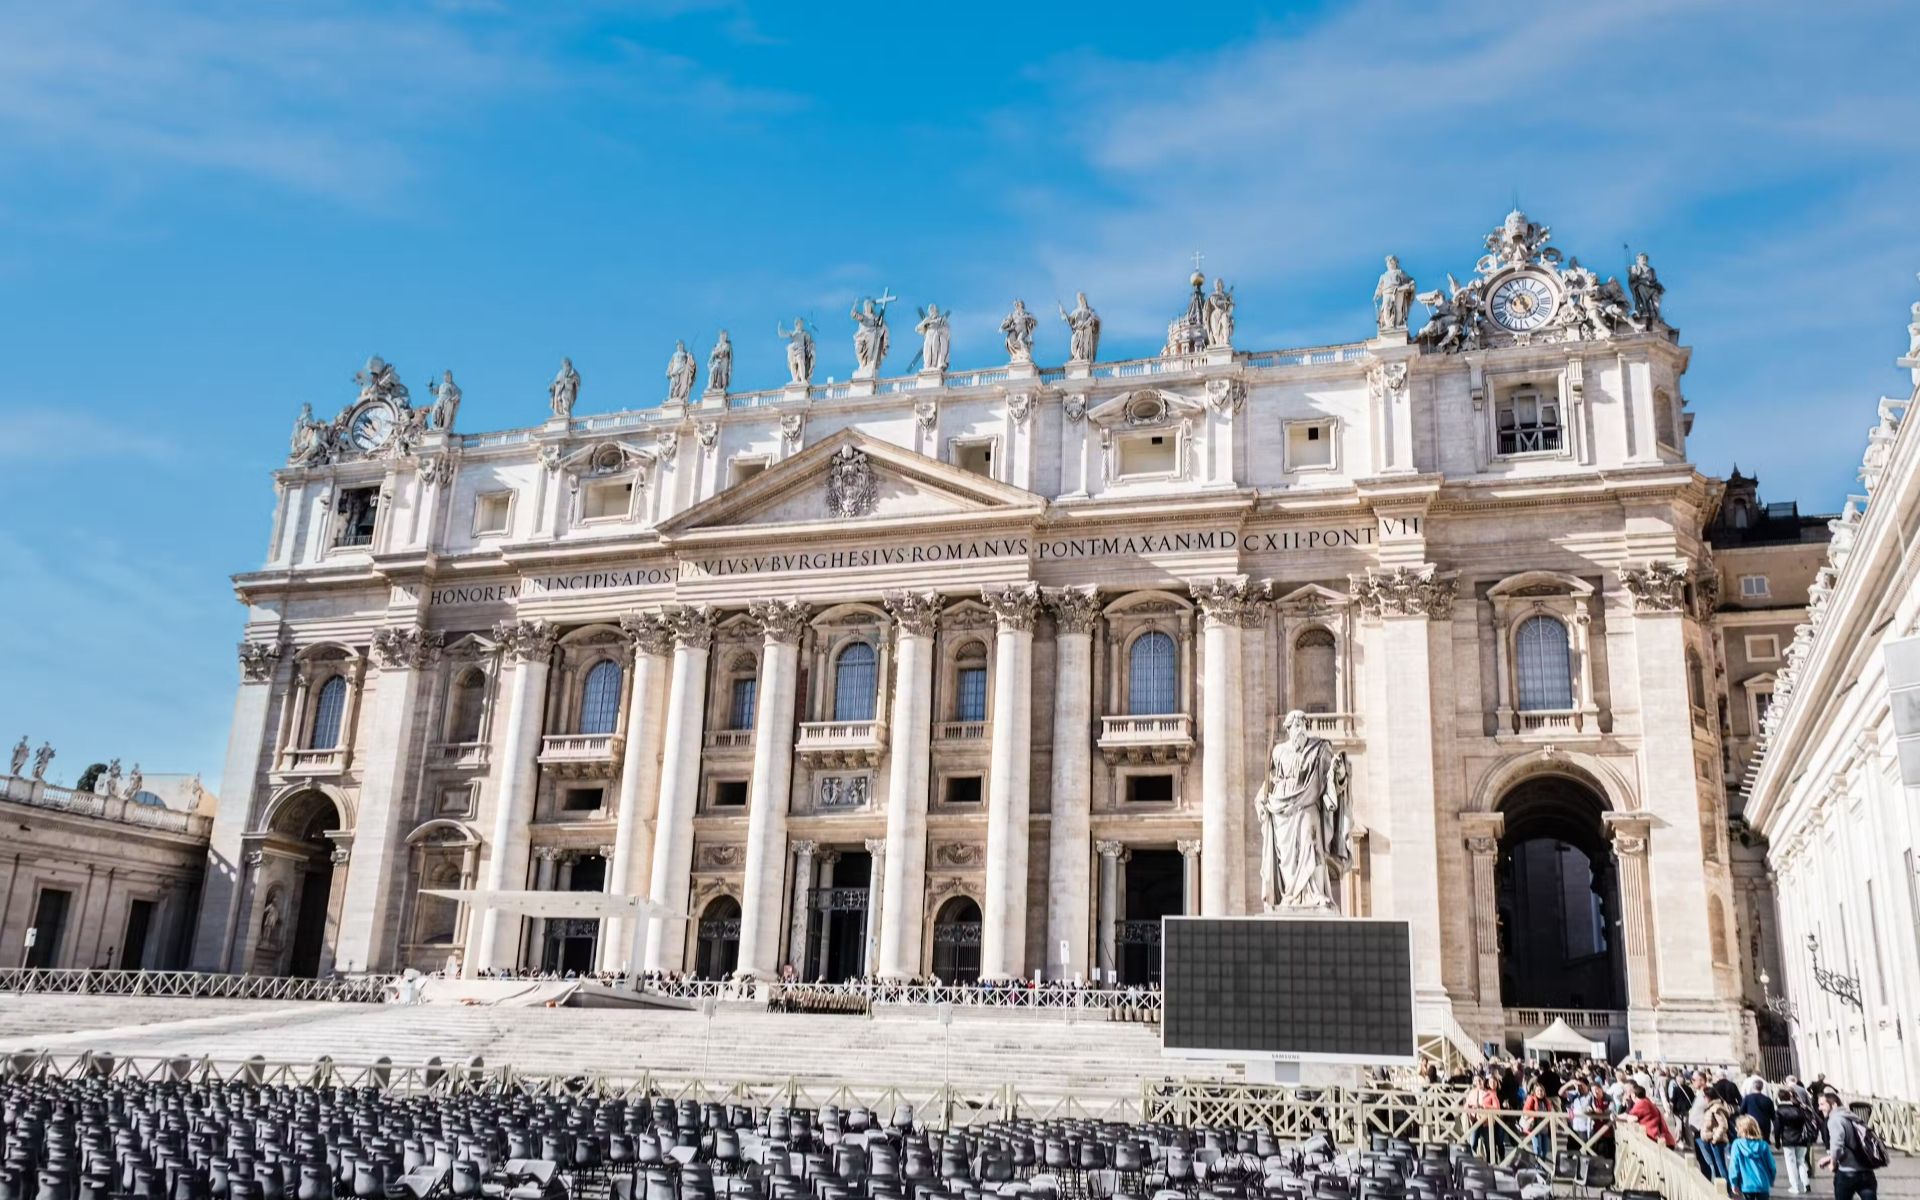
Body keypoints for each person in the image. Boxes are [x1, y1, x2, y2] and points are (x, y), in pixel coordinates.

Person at [1817, 1090, 1880, 1200]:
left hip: (1848, 1172)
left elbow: (1837, 1147)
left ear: (1834, 1105)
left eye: (1822, 1104)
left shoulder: (1835, 1120)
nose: (1819, 1108)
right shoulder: (1851, 1116)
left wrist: (1832, 1162)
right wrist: (1830, 1157)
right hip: (1866, 1172)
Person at [1774, 1084, 1817, 1195]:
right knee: (1801, 1161)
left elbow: (1777, 1128)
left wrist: (1777, 1141)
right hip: (1802, 1138)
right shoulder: (1800, 1108)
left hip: (1787, 1139)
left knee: (1790, 1162)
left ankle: (1795, 1186)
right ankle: (1806, 1183)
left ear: (1779, 1098)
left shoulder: (1779, 1111)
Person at [1728, 1114, 1777, 1200]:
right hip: (1763, 1184)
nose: (1735, 1129)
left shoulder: (1737, 1144)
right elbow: (1772, 1166)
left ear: (1742, 1130)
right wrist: (1771, 1180)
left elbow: (1734, 1166)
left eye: (1737, 1127)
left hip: (1746, 1184)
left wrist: (1734, 1183)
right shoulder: (1763, 1145)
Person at [1624, 1082, 1676, 1148]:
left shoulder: (1641, 1103)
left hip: (1656, 1139)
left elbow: (1631, 1118)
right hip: (1662, 1139)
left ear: (1633, 1095)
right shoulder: (1646, 1100)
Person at [1521, 1079, 1557, 1159]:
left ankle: (1542, 1167)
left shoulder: (1546, 1101)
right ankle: (1538, 1167)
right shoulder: (1531, 1099)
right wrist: (1537, 1115)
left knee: (1545, 1150)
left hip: (1545, 1128)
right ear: (1534, 1091)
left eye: (1541, 1091)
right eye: (1538, 1091)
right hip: (1535, 1127)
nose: (1540, 1093)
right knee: (1537, 1149)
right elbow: (1526, 1111)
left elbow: (1551, 1112)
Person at [1741, 1076, 1778, 1143]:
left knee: (1752, 1140)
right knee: (1764, 1142)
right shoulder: (1768, 1100)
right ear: (1762, 1087)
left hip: (1752, 1122)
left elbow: (1741, 1111)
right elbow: (1773, 1115)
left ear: (1753, 1087)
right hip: (1765, 1123)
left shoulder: (1747, 1098)